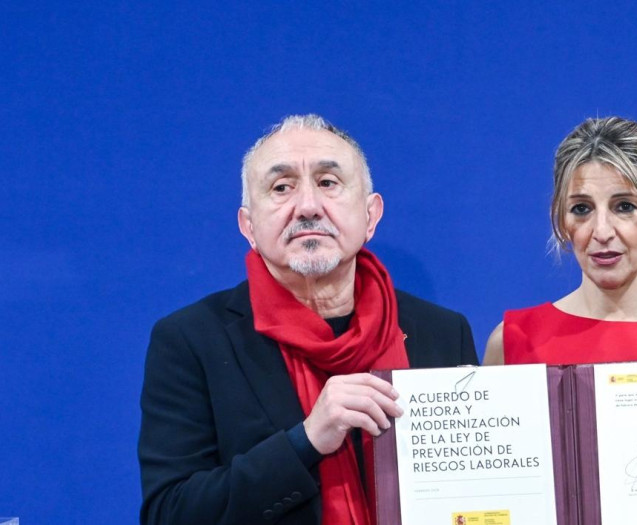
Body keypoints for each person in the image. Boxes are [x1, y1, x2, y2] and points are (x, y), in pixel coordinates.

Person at [138, 114, 477, 525]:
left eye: (328, 182)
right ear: (249, 225)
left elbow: (477, 493)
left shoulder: (442, 332)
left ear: (371, 215)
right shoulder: (192, 340)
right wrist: (307, 440)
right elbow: (170, 512)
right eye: (281, 187)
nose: (308, 207)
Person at [482, 116, 637, 365]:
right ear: (560, 217)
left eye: (624, 206)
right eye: (581, 209)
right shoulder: (512, 344)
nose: (602, 232)